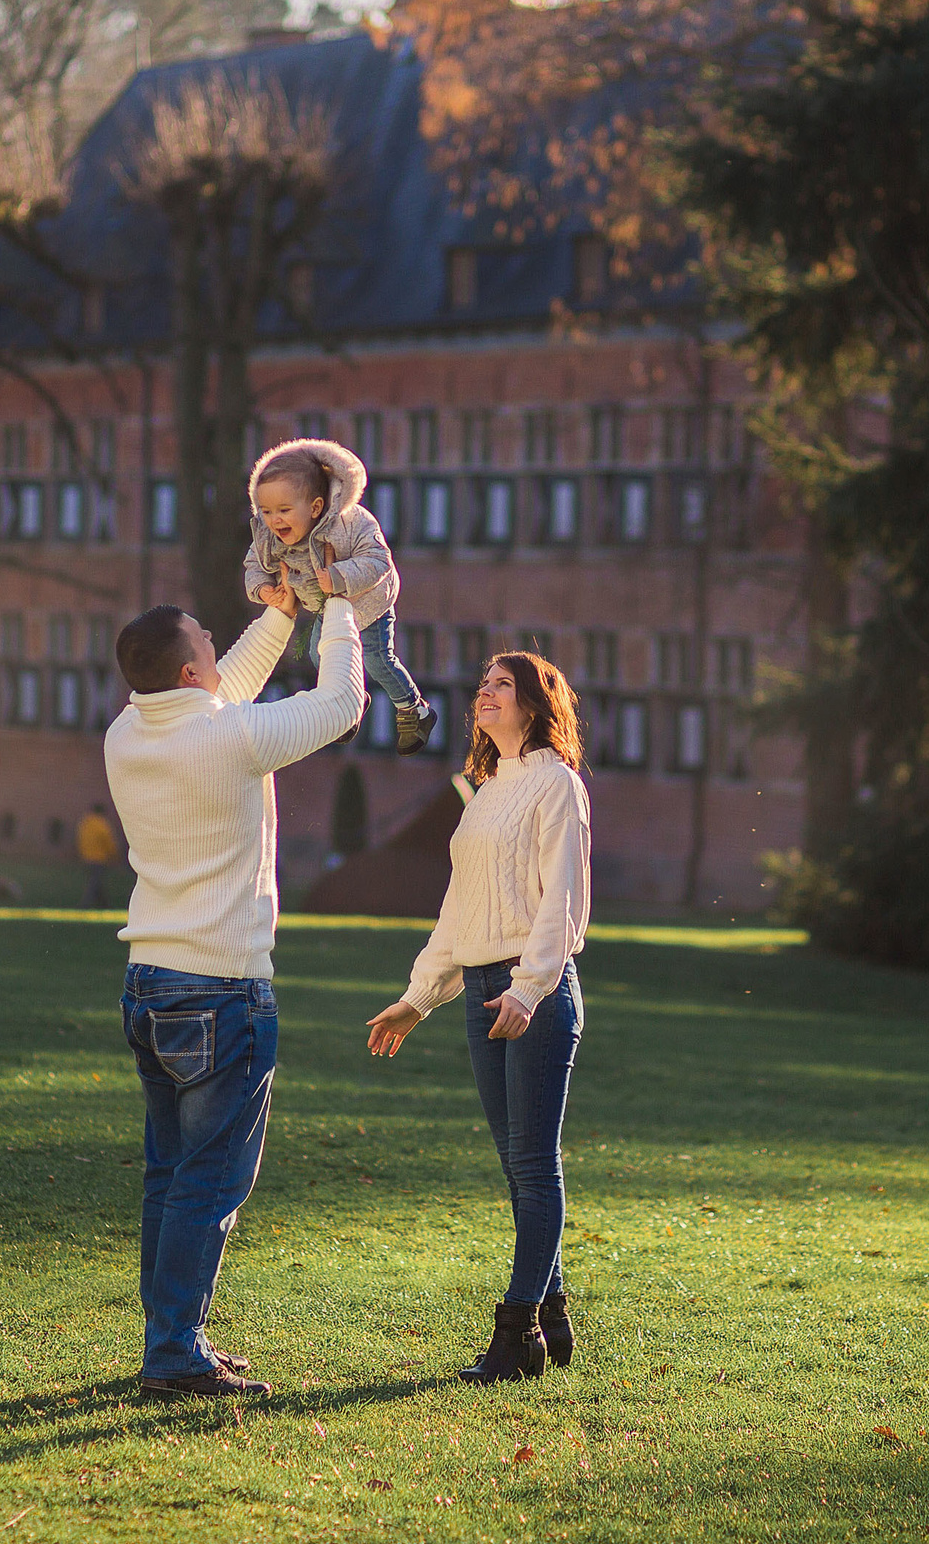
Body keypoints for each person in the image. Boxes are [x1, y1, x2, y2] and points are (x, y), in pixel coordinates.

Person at [103, 574, 365, 1398]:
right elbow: (340, 705)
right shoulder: (230, 739)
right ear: (189, 673)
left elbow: (226, 692)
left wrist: (285, 609)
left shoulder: (127, 731)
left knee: (169, 1173)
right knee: (209, 1179)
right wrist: (349, 606)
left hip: (150, 983)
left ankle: (168, 1337)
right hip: (220, 991)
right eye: (210, 644)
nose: (221, 649)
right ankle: (174, 1353)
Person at [364, 651, 590, 1384]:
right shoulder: (486, 789)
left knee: (533, 1163)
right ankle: (552, 1316)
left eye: (501, 685)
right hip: (482, 984)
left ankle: (516, 1329)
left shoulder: (558, 783)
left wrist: (528, 990)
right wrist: (420, 994)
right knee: (515, 1166)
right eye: (483, 686)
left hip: (537, 991)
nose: (484, 694)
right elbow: (459, 907)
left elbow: (563, 898)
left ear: (532, 703)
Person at [243, 437, 436, 755]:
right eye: (266, 511)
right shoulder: (269, 536)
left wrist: (338, 576)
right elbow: (255, 563)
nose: (274, 519)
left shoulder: (352, 523)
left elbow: (379, 561)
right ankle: (352, 701)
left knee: (377, 659)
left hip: (369, 602)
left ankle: (416, 710)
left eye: (284, 510)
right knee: (321, 655)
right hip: (328, 606)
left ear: (316, 507)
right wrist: (262, 587)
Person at [76, 800, 120, 909]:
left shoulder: (85, 823)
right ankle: (85, 904)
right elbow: (109, 842)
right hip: (99, 858)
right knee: (95, 882)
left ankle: (104, 904)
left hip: (86, 857)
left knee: (96, 881)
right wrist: (114, 854)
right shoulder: (102, 824)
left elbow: (80, 839)